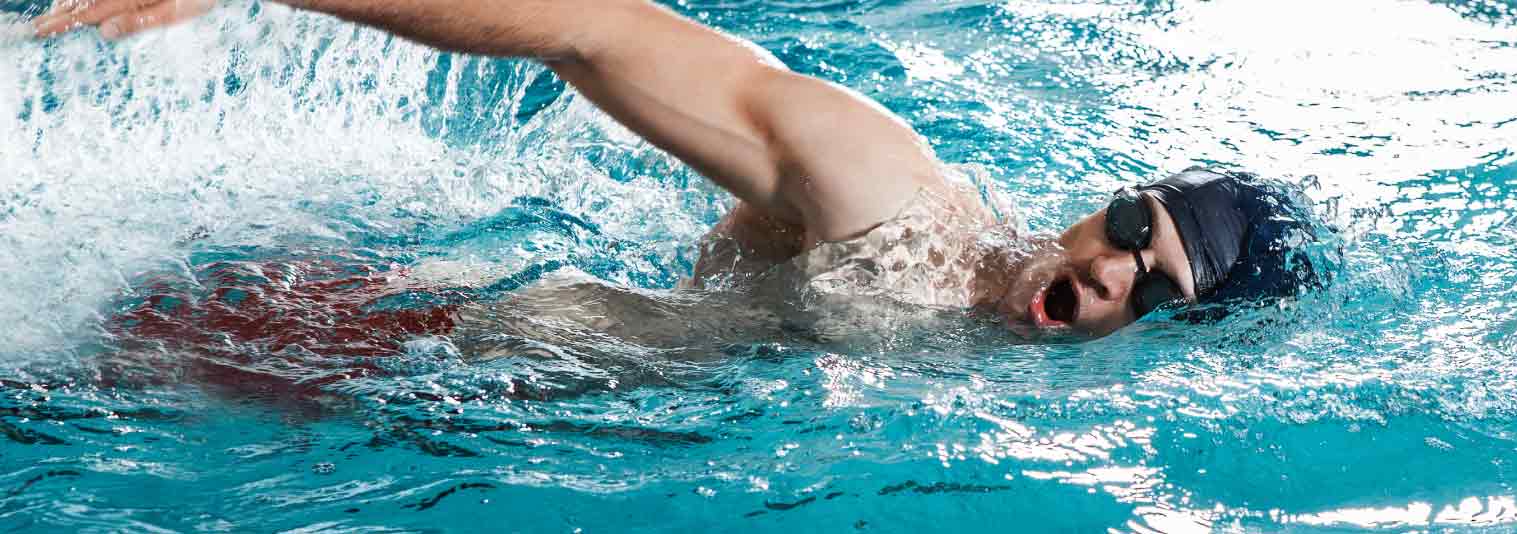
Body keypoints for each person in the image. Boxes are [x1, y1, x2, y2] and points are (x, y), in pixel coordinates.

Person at [33, 0, 1322, 340]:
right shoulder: (886, 200)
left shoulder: (1035, 392)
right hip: (437, 349)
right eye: (1127, 226)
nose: (1105, 272)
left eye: (1149, 294)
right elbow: (597, 26)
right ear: (1102, 195)